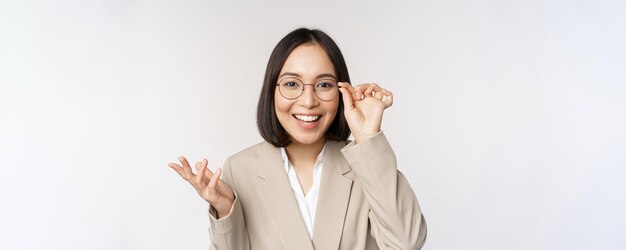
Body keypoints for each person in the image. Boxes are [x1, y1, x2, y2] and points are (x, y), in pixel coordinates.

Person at [168, 28, 427, 249]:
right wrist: (226, 212)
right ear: (272, 91)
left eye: (324, 85)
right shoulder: (240, 169)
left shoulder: (367, 166)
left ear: (342, 92)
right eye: (292, 84)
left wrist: (368, 136)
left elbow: (406, 243)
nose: (308, 101)